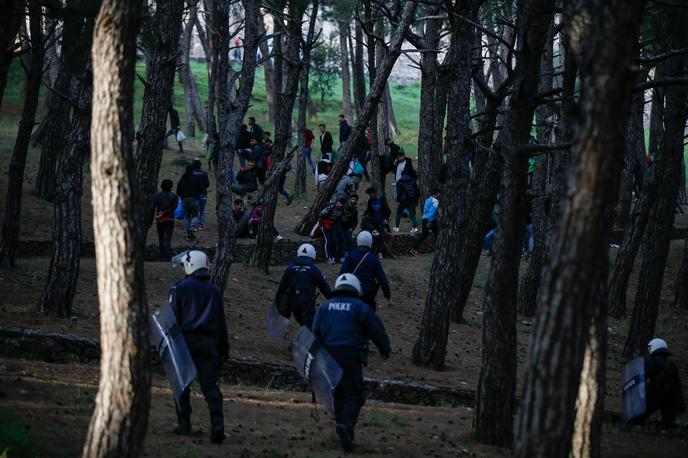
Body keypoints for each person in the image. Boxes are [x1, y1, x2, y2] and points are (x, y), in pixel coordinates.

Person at [311, 273, 391, 452]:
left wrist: (313, 359)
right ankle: (346, 426)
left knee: (339, 394)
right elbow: (376, 330)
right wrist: (384, 349)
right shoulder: (360, 307)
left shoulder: (325, 307)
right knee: (354, 394)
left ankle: (343, 429)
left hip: (329, 356)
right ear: (356, 289)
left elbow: (314, 334)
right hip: (351, 355)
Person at [169, 250, 229, 444]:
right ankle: (217, 425)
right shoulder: (214, 291)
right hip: (208, 343)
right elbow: (221, 323)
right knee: (211, 386)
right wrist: (223, 350)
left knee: (182, 385)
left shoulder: (179, 288)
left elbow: (172, 319)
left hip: (184, 343)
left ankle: (184, 424)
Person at [630, 338, 685, 429]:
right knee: (669, 423)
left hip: (657, 393)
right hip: (671, 396)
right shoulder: (671, 365)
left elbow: (643, 377)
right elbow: (678, 384)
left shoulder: (653, 362)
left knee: (638, 417)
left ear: (652, 348)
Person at [275, 244, 333, 328]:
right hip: (307, 302)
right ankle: (310, 340)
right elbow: (324, 287)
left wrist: (278, 304)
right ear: (313, 255)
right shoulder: (314, 270)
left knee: (303, 323)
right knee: (311, 325)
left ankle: (306, 338)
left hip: (293, 301)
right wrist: (333, 300)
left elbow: (282, 288)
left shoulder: (290, 268)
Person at [340, 231, 391, 310]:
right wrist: (387, 293)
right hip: (367, 294)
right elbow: (382, 279)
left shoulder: (350, 256)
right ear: (370, 243)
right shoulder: (374, 259)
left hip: (351, 291)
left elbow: (342, 275)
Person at [362, 187, 393, 258]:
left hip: (383, 222)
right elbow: (369, 211)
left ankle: (387, 252)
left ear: (375, 193)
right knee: (379, 237)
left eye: (371, 194)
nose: (371, 196)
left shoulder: (381, 199)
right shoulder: (370, 201)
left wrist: (386, 219)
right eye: (369, 195)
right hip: (375, 223)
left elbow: (388, 210)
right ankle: (381, 253)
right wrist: (364, 214)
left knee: (389, 236)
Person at [177, 165, 204, 241]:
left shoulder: (182, 178)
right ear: (192, 170)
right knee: (195, 215)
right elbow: (202, 189)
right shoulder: (196, 178)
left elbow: (178, 190)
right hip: (194, 199)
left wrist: (182, 196)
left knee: (186, 216)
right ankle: (192, 228)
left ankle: (188, 231)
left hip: (184, 200)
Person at [153, 179, 179, 260]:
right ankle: (167, 255)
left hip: (159, 219)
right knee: (168, 237)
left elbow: (153, 206)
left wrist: (157, 215)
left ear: (162, 186)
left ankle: (161, 254)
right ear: (171, 186)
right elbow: (174, 207)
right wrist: (165, 212)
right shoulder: (174, 195)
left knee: (161, 237)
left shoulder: (157, 195)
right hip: (169, 219)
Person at [410, 189, 439, 256]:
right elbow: (432, 211)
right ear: (437, 193)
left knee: (424, 235)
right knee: (437, 234)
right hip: (430, 220)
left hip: (424, 218)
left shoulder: (428, 199)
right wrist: (430, 221)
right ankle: (439, 248)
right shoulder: (435, 201)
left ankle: (414, 249)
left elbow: (426, 210)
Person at [319, 197, 347, 264]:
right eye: (340, 203)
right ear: (338, 202)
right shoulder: (331, 207)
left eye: (342, 203)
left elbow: (339, 221)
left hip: (333, 226)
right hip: (325, 225)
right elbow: (321, 214)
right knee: (328, 240)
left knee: (334, 240)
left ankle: (333, 257)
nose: (341, 204)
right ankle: (328, 258)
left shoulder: (342, 210)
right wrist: (321, 225)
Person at [393, 169, 419, 234]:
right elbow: (417, 192)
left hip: (402, 201)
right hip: (411, 200)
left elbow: (398, 192)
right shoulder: (413, 181)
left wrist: (398, 201)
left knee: (398, 213)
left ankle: (397, 227)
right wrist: (416, 201)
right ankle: (415, 228)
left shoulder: (399, 181)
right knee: (412, 215)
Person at [192, 159, 210, 231]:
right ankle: (201, 225)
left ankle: (194, 225)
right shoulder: (204, 173)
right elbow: (207, 184)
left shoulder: (191, 173)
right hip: (203, 194)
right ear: (200, 165)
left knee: (195, 210)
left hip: (194, 195)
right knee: (202, 210)